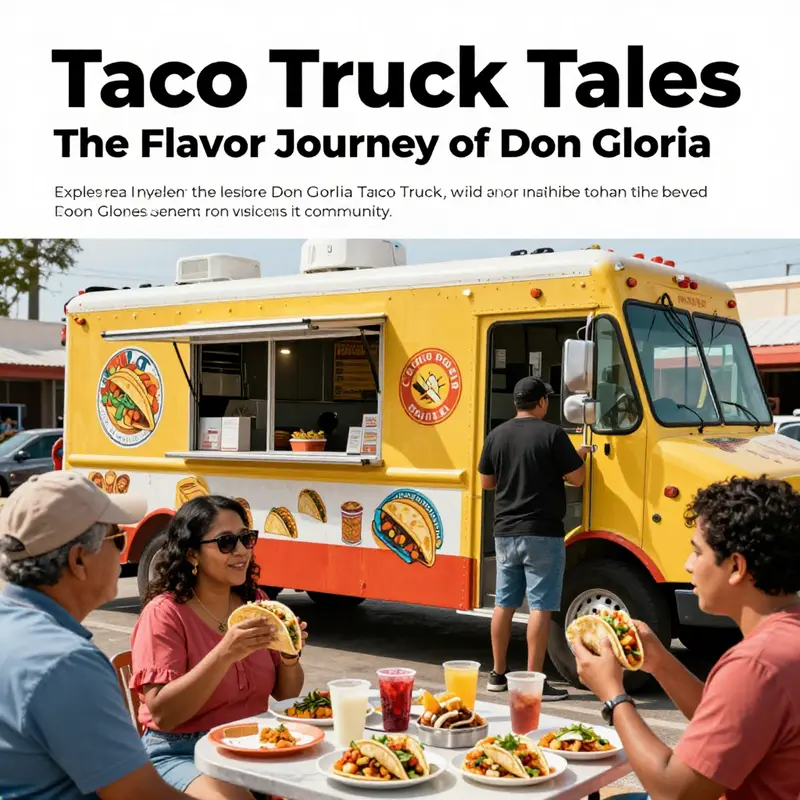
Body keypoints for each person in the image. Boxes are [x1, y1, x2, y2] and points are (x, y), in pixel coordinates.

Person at [574, 476, 800, 800]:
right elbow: (727, 722)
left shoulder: (755, 665)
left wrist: (612, 695)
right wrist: (660, 662)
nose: (688, 565)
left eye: (697, 551)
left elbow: (673, 790)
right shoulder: (784, 640)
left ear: (736, 566)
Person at [0, 471, 188, 799]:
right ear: (78, 560)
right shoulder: (66, 662)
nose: (122, 554)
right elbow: (140, 795)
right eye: (118, 540)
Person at [130, 495, 309, 799]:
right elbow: (164, 715)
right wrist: (225, 654)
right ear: (191, 555)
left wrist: (289, 656)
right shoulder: (165, 613)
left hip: (252, 742)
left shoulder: (258, 603)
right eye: (226, 542)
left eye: (245, 538)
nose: (240, 551)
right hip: (181, 752)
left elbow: (286, 695)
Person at [478, 376, 591, 699]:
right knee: (540, 607)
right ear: (541, 402)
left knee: (504, 604)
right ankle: (533, 680)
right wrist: (578, 454)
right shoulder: (553, 434)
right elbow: (577, 478)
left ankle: (498, 674)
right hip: (542, 533)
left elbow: (487, 482)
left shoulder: (496, 435)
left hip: (505, 532)